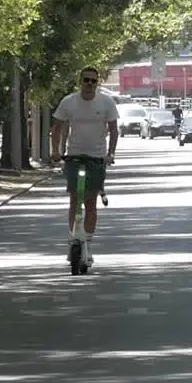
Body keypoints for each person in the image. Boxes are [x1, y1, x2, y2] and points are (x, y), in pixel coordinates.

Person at [50, 67, 119, 265]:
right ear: (80, 81)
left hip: (96, 158)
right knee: (74, 199)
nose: (89, 84)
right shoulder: (68, 101)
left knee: (90, 202)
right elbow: (57, 128)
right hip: (74, 157)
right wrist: (55, 151)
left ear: (97, 84)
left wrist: (110, 154)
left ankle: (87, 243)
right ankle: (74, 240)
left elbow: (114, 130)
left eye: (93, 81)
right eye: (86, 80)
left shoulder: (106, 102)